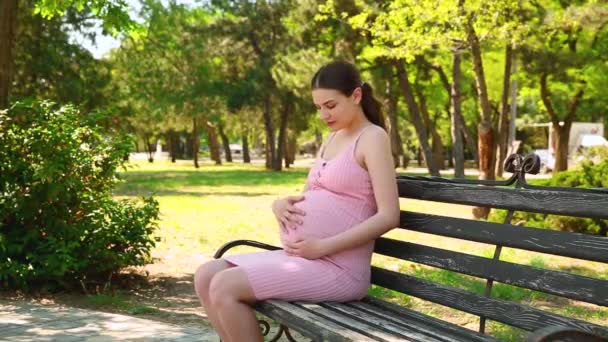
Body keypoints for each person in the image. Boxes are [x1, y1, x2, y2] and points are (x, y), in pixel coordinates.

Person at [193, 61, 400, 342]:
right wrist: (280, 205)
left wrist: (322, 246)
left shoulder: (372, 138)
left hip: (340, 269)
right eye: (318, 107)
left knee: (225, 287)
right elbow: (308, 194)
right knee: (206, 275)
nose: (323, 115)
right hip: (305, 258)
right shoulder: (333, 138)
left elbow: (389, 216)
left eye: (331, 105)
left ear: (356, 96)